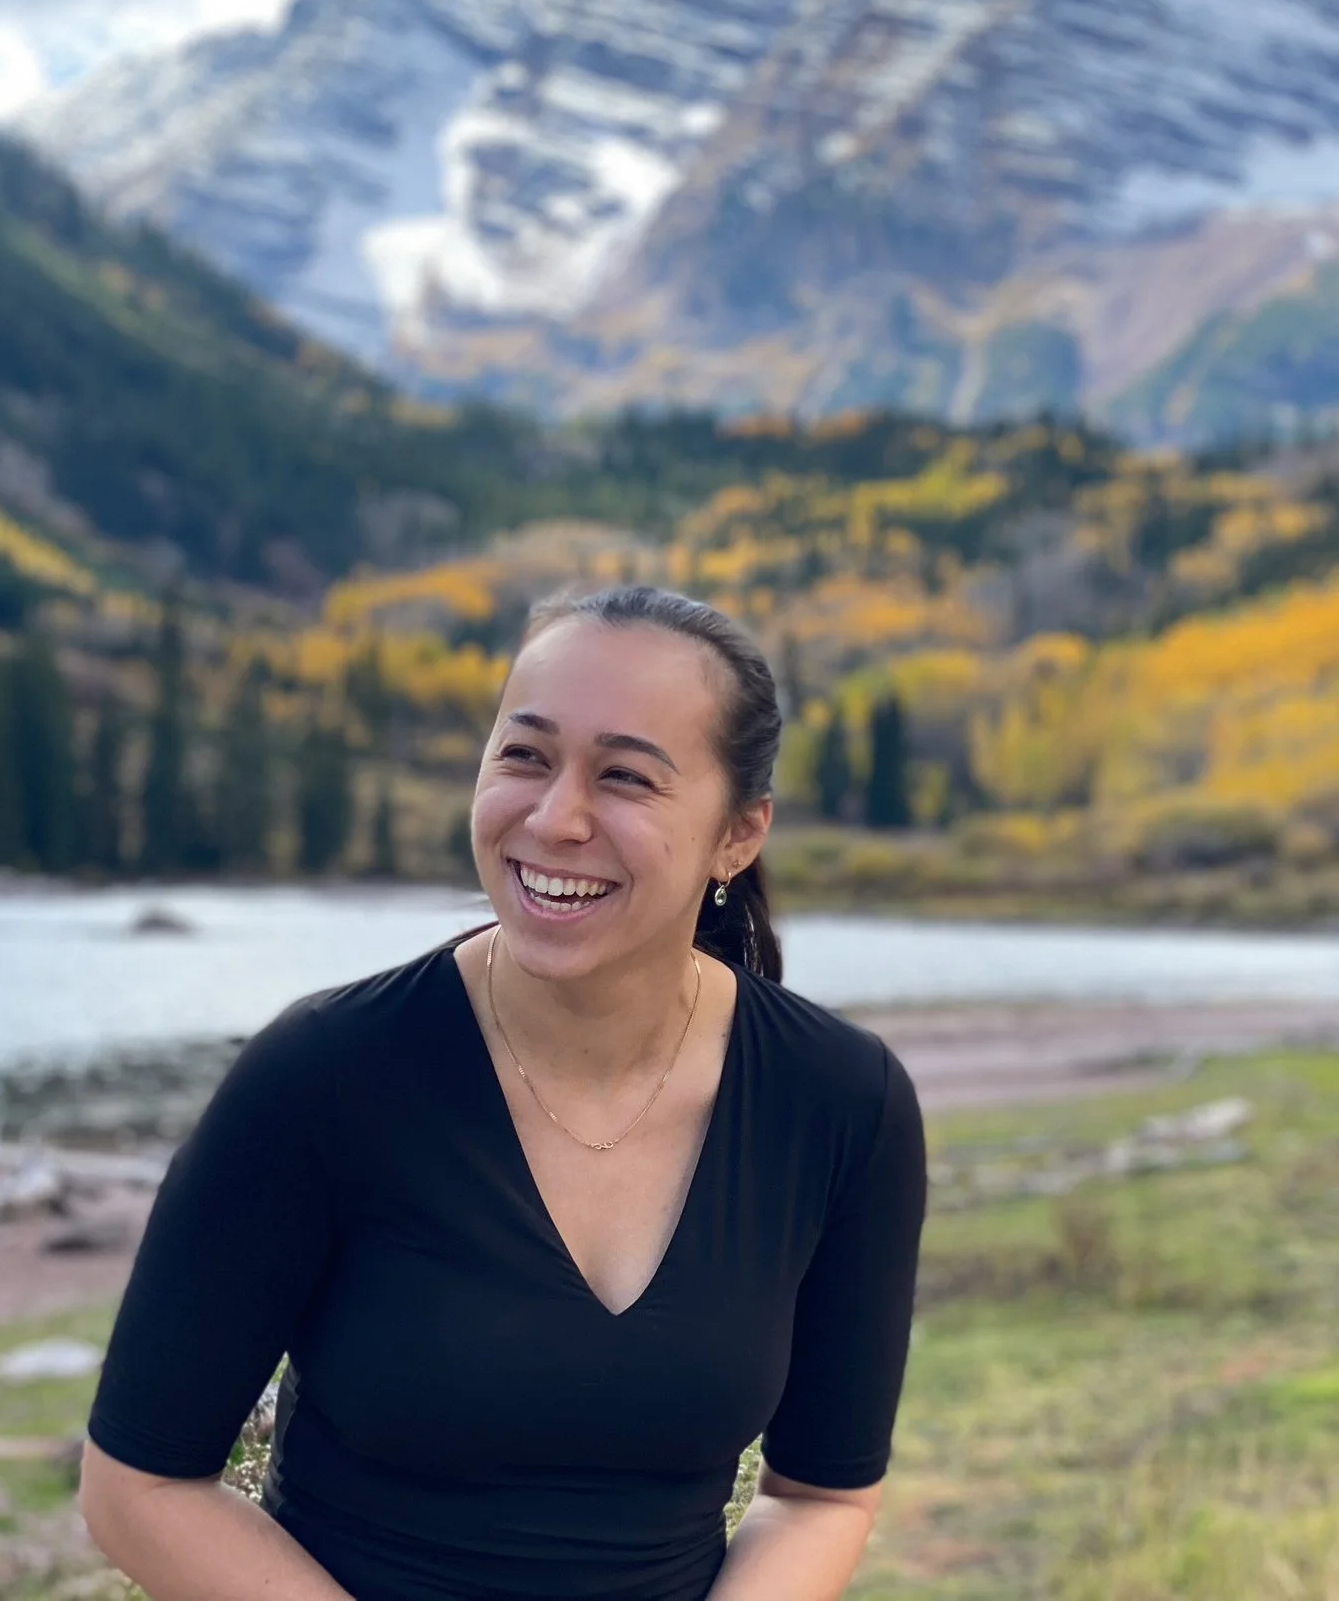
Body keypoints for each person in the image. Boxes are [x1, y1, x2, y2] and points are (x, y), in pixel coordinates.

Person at [79, 586, 928, 1601]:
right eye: (524, 755)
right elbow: (137, 1486)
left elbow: (822, 1494)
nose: (555, 817)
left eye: (625, 776)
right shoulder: (324, 1076)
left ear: (738, 835)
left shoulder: (840, 1100)